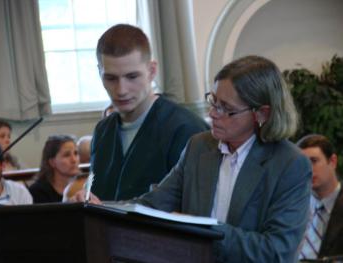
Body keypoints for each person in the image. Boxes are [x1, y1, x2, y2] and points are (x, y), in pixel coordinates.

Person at [126, 55, 312, 262]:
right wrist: (101, 206)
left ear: (262, 114)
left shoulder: (290, 163)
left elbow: (276, 251)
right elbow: (151, 206)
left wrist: (202, 229)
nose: (212, 114)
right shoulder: (198, 146)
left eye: (226, 108)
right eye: (213, 101)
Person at [90, 24, 209, 200]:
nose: (121, 90)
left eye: (132, 77)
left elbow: (195, 208)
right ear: (100, 74)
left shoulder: (187, 129)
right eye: (111, 78)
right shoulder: (102, 131)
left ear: (152, 71)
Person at [297, 134, 343, 260]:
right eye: (302, 163)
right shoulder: (292, 206)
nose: (307, 169)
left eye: (314, 161)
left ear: (332, 161)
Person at [29, 135, 80, 203]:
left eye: (76, 153)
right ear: (52, 162)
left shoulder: (85, 185)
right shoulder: (38, 192)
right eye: (67, 155)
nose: (74, 160)